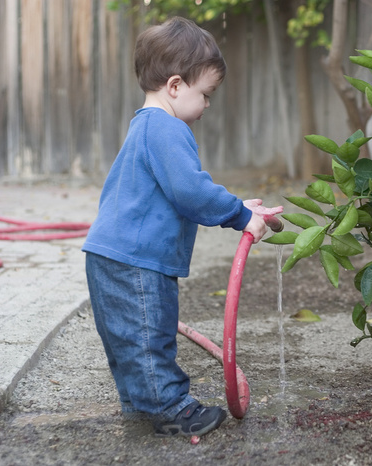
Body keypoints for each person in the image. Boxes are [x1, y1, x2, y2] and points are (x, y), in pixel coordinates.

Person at [82, 16, 267, 438]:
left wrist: (237, 203)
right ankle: (171, 408)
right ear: (176, 86)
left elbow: (182, 191)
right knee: (151, 337)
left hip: (111, 256)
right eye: (206, 94)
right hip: (137, 263)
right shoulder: (168, 128)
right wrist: (240, 216)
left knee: (130, 342)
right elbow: (190, 191)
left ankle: (140, 406)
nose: (206, 106)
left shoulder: (145, 126)